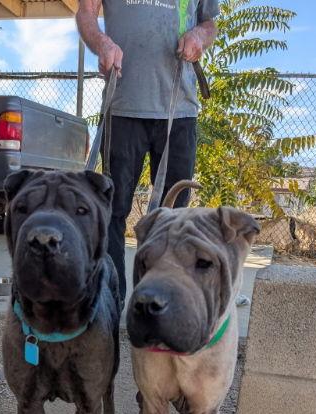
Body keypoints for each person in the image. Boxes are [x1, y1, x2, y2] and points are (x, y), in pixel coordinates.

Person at [77, 0, 220, 303]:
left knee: (174, 218)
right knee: (112, 209)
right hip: (123, 107)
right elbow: (86, 12)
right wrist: (102, 43)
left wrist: (198, 36)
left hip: (179, 110)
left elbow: (209, 24)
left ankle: (162, 304)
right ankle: (111, 304)